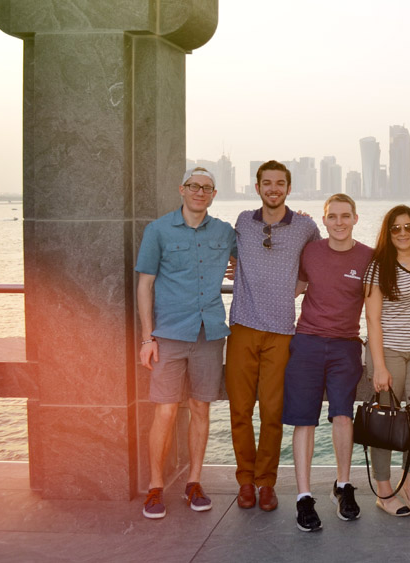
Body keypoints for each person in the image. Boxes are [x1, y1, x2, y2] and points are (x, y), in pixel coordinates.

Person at [135, 167, 236, 519]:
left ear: (213, 194)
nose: (200, 192)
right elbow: (144, 286)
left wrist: (296, 220)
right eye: (194, 186)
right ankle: (155, 487)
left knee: (201, 409)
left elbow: (258, 252)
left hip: (209, 334)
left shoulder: (225, 232)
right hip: (169, 335)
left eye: (207, 187)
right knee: (164, 410)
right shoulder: (158, 230)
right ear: (182, 189)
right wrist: (147, 337)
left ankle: (194, 482)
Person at [226, 160, 320, 513]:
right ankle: (245, 481)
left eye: (280, 183)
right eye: (267, 183)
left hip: (282, 331)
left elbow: (321, 259)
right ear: (257, 187)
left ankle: (266, 483)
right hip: (243, 327)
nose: (273, 188)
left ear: (289, 189)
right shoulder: (242, 223)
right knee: (239, 410)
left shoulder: (306, 226)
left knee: (271, 412)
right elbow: (226, 252)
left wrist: (300, 284)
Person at [283, 193, 373, 532]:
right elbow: (292, 284)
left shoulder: (368, 257)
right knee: (303, 420)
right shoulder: (311, 251)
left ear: (355, 218)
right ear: (323, 220)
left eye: (345, 216)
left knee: (342, 416)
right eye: (332, 216)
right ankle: (304, 496)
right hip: (306, 342)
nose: (339, 222)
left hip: (346, 346)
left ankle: (343, 486)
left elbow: (379, 304)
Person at [363, 205, 410, 517]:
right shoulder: (378, 267)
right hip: (388, 350)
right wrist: (378, 366)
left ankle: (409, 484)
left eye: (409, 227)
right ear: (388, 232)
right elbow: (372, 318)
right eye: (396, 228)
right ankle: (384, 491)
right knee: (385, 421)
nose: (403, 233)